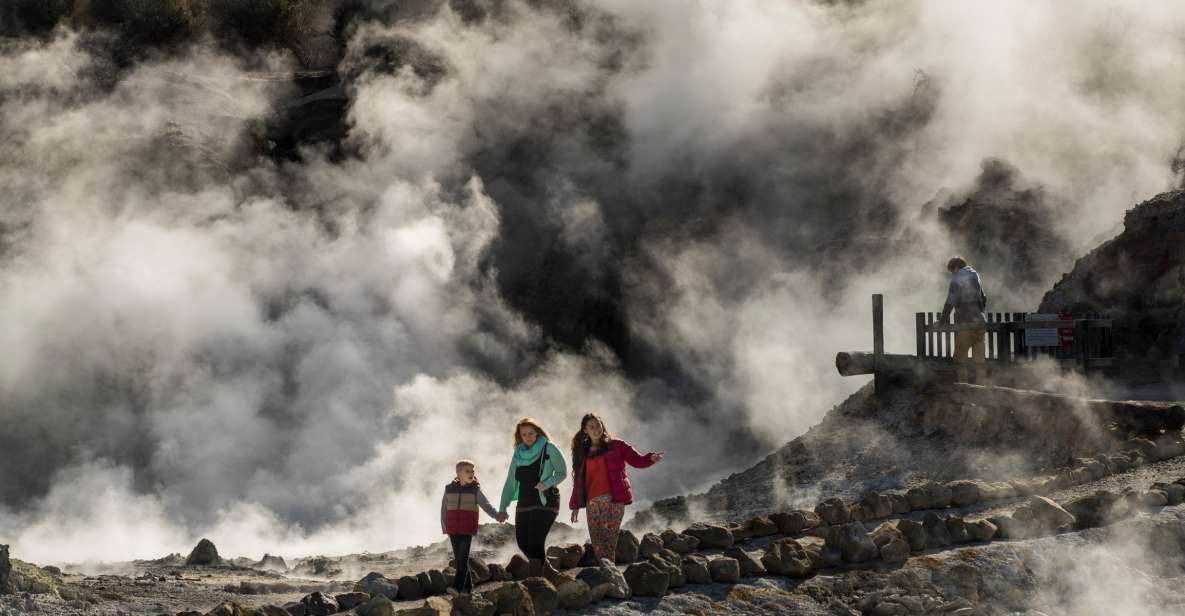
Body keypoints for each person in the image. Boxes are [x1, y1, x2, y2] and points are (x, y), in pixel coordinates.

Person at [568, 413, 665, 564]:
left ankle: (611, 575)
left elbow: (636, 460)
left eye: (598, 426)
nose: (596, 430)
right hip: (592, 503)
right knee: (597, 543)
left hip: (613, 500)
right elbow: (579, 482)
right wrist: (575, 506)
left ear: (602, 426)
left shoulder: (617, 445)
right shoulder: (583, 452)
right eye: (591, 427)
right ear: (585, 430)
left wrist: (650, 459)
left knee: (609, 541)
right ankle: (608, 575)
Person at [498, 417, 567, 577]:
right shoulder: (518, 454)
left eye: (531, 433)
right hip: (525, 502)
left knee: (536, 541)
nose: (528, 437)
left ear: (537, 433)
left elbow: (562, 472)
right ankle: (549, 572)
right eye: (524, 434)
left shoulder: (549, 448)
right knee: (523, 542)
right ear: (520, 436)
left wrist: (547, 483)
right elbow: (510, 483)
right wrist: (502, 508)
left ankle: (537, 583)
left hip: (545, 501)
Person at [441, 459, 506, 593]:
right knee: (459, 559)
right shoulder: (449, 489)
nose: (471, 473)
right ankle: (469, 588)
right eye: (467, 471)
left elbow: (486, 505)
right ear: (458, 473)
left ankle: (457, 588)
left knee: (462, 560)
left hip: (466, 530)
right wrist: (444, 527)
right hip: (452, 530)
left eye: (472, 471)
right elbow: (444, 509)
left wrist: (497, 515)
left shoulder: (475, 490)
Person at [941, 256, 988, 382]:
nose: (952, 274)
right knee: (979, 358)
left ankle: (963, 387)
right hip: (980, 321)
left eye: (952, 271)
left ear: (956, 267)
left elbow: (950, 301)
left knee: (960, 356)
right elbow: (984, 298)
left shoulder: (957, 278)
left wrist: (943, 320)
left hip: (966, 323)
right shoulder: (975, 274)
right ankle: (981, 386)